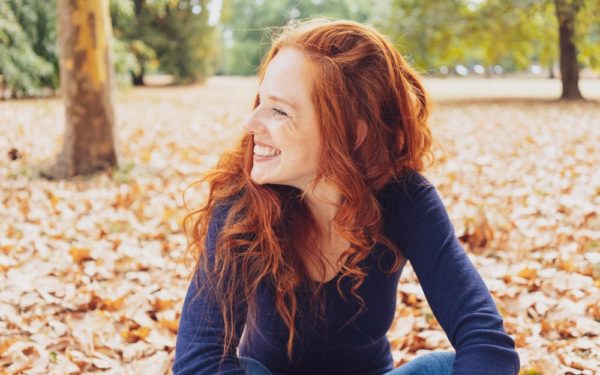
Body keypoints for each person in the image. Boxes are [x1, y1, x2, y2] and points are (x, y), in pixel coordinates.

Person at [172, 18, 520, 375]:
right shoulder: (241, 201)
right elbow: (198, 360)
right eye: (260, 101)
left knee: (441, 367)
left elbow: (487, 342)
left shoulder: (404, 198)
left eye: (279, 110)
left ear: (352, 133)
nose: (251, 123)